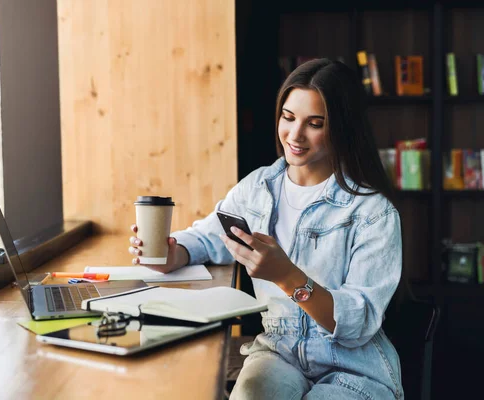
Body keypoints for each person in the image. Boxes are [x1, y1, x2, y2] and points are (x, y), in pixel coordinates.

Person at [128, 58, 403, 399]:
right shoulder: (259, 188)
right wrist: (172, 253)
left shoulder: (374, 212)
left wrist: (287, 275)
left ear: (343, 128)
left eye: (315, 124)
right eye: (288, 118)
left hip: (352, 367)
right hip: (279, 352)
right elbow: (208, 235)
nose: (295, 135)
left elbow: (358, 324)